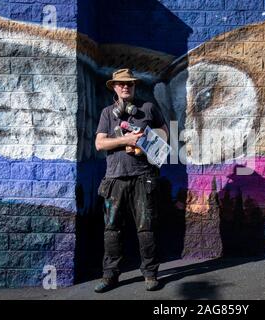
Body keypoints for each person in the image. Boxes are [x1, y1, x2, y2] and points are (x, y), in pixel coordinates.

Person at [94, 68, 168, 293]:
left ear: (134, 87)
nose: (125, 87)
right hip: (114, 178)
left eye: (130, 84)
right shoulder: (107, 113)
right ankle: (110, 275)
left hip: (143, 177)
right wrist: (125, 139)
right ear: (114, 87)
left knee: (146, 228)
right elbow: (99, 144)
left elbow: (165, 134)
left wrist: (144, 145)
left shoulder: (148, 108)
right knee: (112, 229)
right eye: (121, 84)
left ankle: (150, 274)